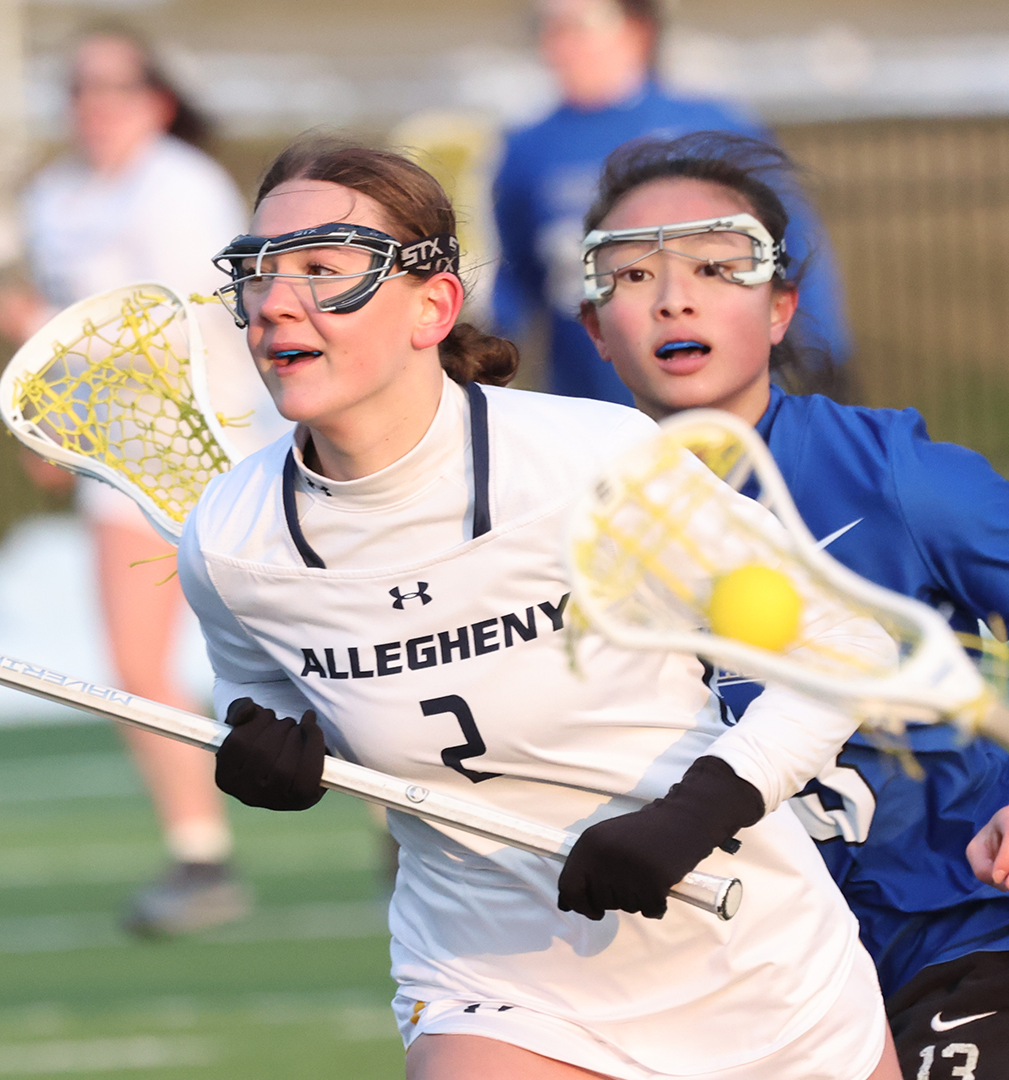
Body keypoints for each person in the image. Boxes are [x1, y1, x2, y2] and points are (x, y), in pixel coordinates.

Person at [180, 136, 902, 1080]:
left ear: (431, 307)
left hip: (753, 964)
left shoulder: (591, 465)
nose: (276, 302)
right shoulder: (231, 542)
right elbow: (260, 691)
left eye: (323, 270)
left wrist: (694, 814)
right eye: (260, 271)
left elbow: (845, 642)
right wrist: (270, 750)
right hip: (496, 981)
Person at [573, 130, 1009, 1080]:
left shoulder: (898, 476)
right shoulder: (564, 516)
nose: (673, 296)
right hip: (766, 983)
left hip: (983, 938)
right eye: (631, 273)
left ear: (781, 308)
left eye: (714, 264)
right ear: (593, 328)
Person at [0, 26, 262, 938]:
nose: (95, 103)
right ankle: (199, 854)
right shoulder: (59, 196)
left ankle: (402, 817)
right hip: (120, 458)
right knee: (136, 668)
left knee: (306, 653)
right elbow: (72, 347)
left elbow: (181, 322)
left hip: (219, 445)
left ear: (158, 96)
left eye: (115, 83)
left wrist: (43, 322)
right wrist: (51, 417)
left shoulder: (180, 185)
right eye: (79, 86)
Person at [491, 0, 853, 404]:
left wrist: (827, 352)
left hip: (717, 397)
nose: (558, 42)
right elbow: (515, 280)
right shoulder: (526, 148)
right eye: (545, 26)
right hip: (592, 400)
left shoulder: (710, 122)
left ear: (638, 29)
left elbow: (793, 241)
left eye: (579, 25)